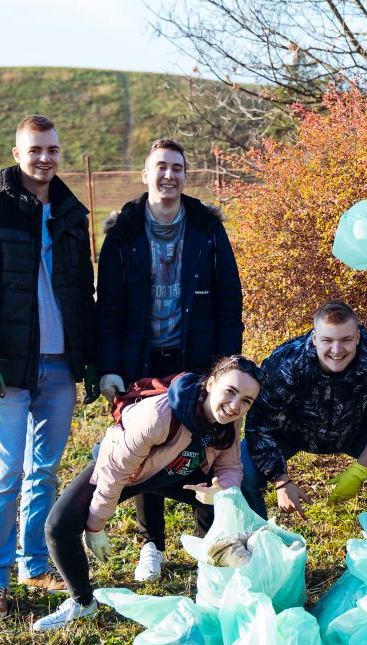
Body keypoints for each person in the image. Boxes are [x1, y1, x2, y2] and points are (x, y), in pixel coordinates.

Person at [0, 114, 99, 619]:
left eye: (53, 149)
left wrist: (93, 361)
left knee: (45, 471)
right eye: (35, 150)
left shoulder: (70, 213)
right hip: (8, 369)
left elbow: (84, 293)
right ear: (17, 153)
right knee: (4, 473)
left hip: (60, 367)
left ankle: (33, 562)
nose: (45, 158)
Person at [96, 137, 245, 582]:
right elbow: (108, 309)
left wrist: (226, 365)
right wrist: (109, 365)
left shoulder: (207, 229)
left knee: (205, 445)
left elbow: (228, 300)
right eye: (160, 167)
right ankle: (151, 545)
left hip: (197, 357)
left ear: (185, 175)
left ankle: (204, 541)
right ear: (146, 175)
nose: (169, 175)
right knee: (145, 446)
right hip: (139, 358)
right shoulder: (122, 232)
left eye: (177, 167)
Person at [32, 356, 263, 631]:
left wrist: (222, 490)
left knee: (227, 502)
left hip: (173, 472)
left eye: (246, 401)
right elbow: (115, 471)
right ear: (211, 384)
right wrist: (95, 527)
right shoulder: (159, 414)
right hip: (126, 471)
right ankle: (82, 602)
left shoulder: (229, 422)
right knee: (58, 526)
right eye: (230, 392)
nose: (236, 405)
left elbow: (230, 465)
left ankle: (215, 576)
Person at [241, 301, 367, 520]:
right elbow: (260, 425)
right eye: (327, 340)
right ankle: (254, 539)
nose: (336, 350)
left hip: (354, 433)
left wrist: (360, 470)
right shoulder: (286, 364)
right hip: (291, 434)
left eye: (346, 340)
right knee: (244, 470)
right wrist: (281, 481)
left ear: (357, 337)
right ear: (314, 338)